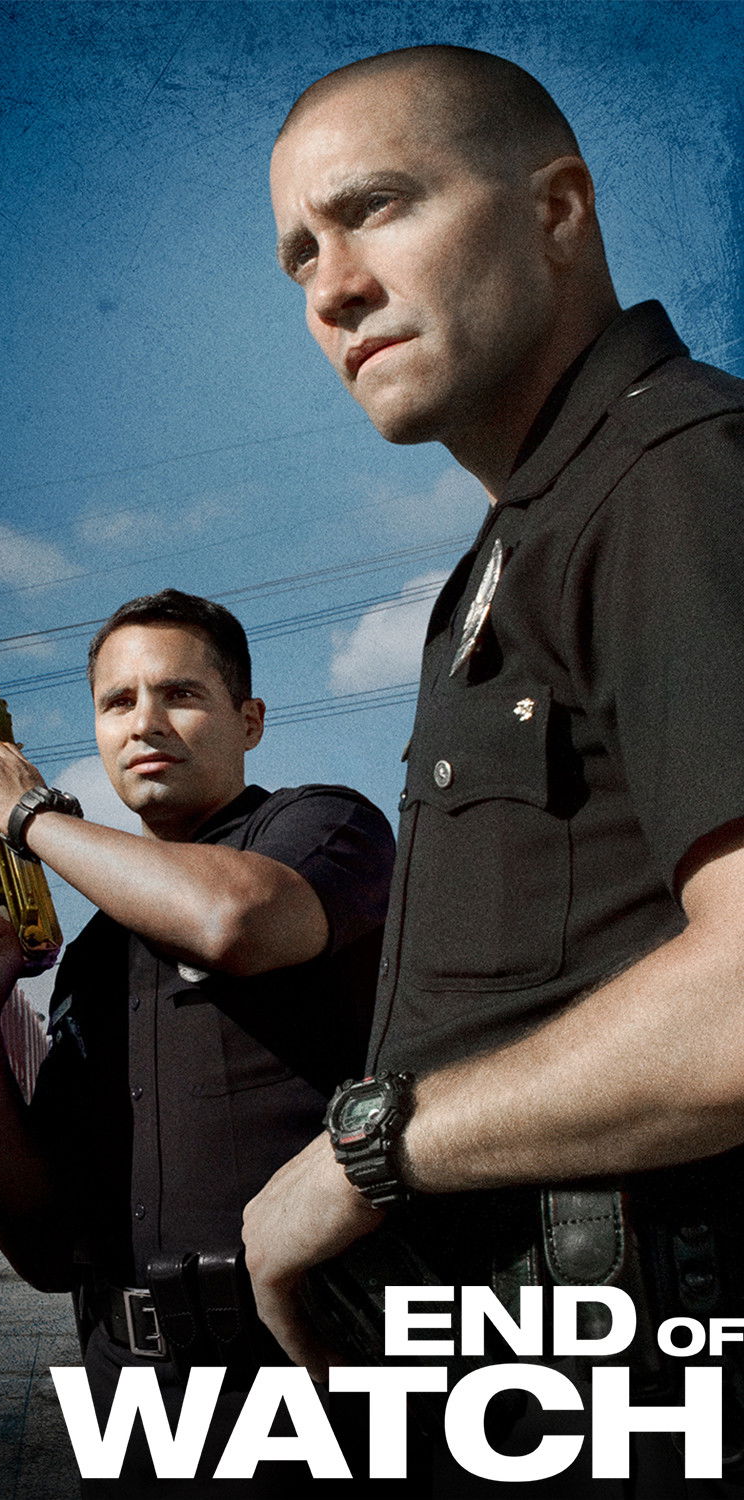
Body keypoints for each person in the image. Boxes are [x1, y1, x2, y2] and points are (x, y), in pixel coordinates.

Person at [242, 44, 744, 1495]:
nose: (332, 288)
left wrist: (368, 1150)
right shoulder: (524, 538)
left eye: (376, 209)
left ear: (557, 210)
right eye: (299, 255)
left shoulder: (672, 475)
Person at [0, 588, 395, 1495]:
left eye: (181, 694)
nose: (145, 723)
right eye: (117, 702)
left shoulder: (323, 827)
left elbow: (231, 920)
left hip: (309, 1378)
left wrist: (31, 817)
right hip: (131, 1399)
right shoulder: (95, 955)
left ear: (249, 721)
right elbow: (45, 1249)